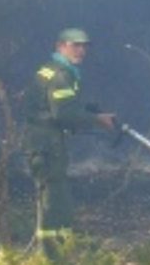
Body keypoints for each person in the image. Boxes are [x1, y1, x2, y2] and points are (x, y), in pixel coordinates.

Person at [24, 28, 115, 245]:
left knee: (52, 199)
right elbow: (63, 113)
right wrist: (96, 120)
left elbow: (56, 106)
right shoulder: (60, 75)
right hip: (48, 146)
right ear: (60, 46)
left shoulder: (49, 70)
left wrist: (87, 111)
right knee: (56, 203)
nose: (81, 50)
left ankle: (52, 256)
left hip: (43, 143)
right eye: (75, 45)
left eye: (84, 46)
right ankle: (52, 260)